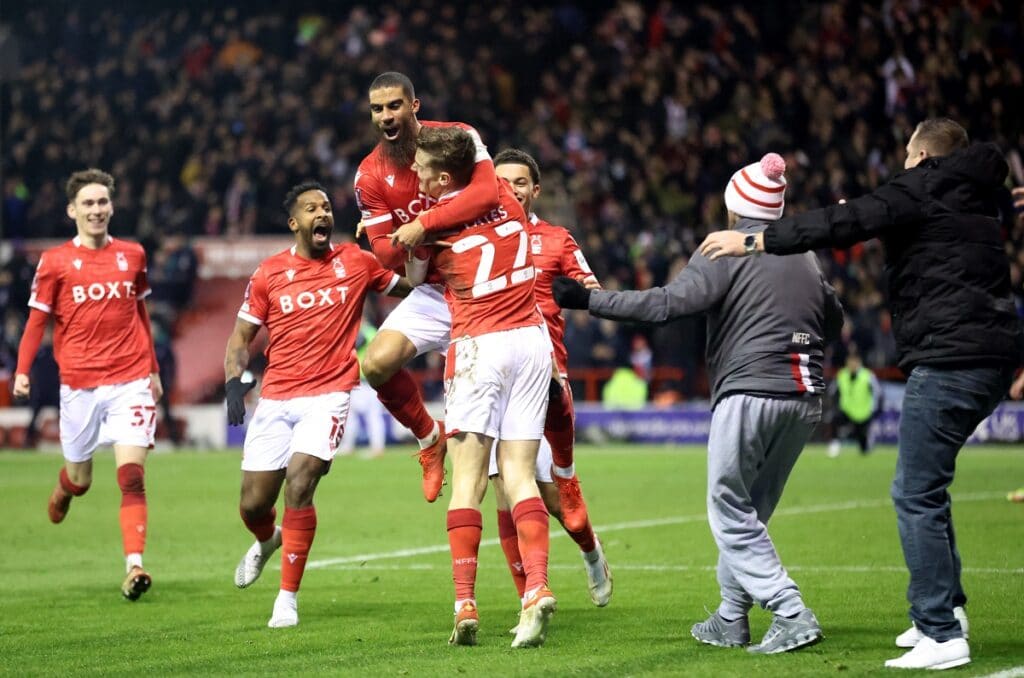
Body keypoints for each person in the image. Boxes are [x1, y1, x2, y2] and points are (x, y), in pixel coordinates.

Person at [699, 119, 1022, 670]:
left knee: (914, 493)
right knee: (931, 487)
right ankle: (948, 610)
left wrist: (753, 239)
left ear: (919, 154)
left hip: (949, 356)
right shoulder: (979, 196)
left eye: (905, 153)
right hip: (992, 352)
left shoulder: (917, 186)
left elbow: (841, 223)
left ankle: (941, 632)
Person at [556, 152, 841, 655]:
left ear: (735, 207)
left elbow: (666, 305)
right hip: (804, 398)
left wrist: (589, 301)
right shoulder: (806, 255)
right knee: (750, 512)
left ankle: (790, 609)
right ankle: (732, 616)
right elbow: (833, 317)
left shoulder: (724, 248)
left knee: (728, 507)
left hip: (749, 390)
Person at [224, 181, 412, 628]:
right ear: (295, 223)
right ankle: (267, 540)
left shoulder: (356, 260)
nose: (322, 213)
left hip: (329, 393)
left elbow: (409, 287)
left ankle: (286, 599)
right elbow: (240, 339)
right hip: (276, 396)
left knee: (301, 481)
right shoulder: (268, 274)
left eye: (326, 207)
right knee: (252, 505)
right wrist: (234, 383)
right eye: (311, 209)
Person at [412, 126, 556, 648]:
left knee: (468, 480)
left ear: (444, 177)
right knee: (518, 473)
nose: (415, 177)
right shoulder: (505, 200)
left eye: (423, 170)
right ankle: (536, 589)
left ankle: (465, 603)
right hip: (531, 339)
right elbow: (475, 154)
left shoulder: (435, 233)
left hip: (481, 345)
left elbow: (401, 269)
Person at [13, 168, 164, 601]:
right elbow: (37, 321)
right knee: (81, 477)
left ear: (112, 207)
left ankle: (134, 566)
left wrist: (152, 369)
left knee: (132, 477)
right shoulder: (55, 261)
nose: (97, 210)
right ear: (72, 210)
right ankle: (67, 488)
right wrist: (23, 370)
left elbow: (142, 315)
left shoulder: (133, 255)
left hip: (130, 379)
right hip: (79, 383)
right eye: (88, 204)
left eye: (102, 202)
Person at [353, 71, 500, 503]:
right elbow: (384, 254)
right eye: (377, 109)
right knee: (376, 363)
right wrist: (412, 238)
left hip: (484, 287)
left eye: (394, 105)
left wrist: (421, 225)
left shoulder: (457, 138)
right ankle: (427, 437)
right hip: (434, 291)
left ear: (414, 105)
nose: (386, 116)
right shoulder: (369, 175)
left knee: (500, 465)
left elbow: (488, 193)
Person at [492, 148, 612, 608]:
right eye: (501, 181)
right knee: (505, 487)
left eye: (519, 182)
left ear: (534, 190)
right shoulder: (475, 239)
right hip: (497, 376)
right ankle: (529, 598)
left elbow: (592, 289)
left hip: (546, 378)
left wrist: (580, 294)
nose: (510, 189)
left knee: (561, 506)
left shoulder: (557, 239)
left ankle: (590, 550)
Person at [338, 318, 388, 458]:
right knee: (359, 415)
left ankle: (376, 448)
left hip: (364, 381)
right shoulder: (374, 332)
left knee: (369, 415)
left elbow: (353, 347)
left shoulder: (365, 333)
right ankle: (357, 446)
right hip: (366, 380)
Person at [827, 346, 881, 457]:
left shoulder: (868, 376)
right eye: (850, 361)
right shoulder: (842, 374)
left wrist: (873, 410)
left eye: (854, 361)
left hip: (863, 414)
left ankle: (866, 443)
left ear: (859, 362)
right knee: (833, 418)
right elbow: (832, 391)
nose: (852, 364)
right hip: (847, 411)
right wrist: (835, 406)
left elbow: (878, 394)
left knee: (864, 448)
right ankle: (834, 444)